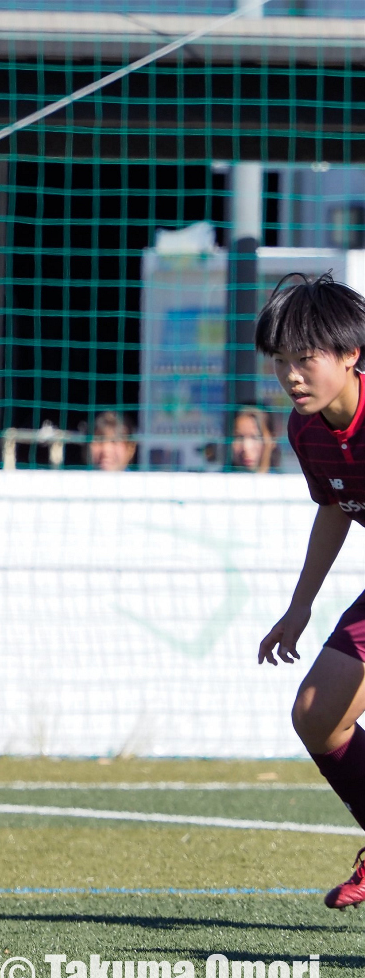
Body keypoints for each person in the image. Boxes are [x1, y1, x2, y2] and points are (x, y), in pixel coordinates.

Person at [256, 271, 365, 911]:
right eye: (281, 361)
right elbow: (336, 507)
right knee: (318, 713)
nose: (292, 376)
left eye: (306, 358)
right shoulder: (307, 430)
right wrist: (299, 609)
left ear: (352, 355)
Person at [231, 405, 278, 472]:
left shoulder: (285, 480)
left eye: (255, 437)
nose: (246, 447)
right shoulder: (217, 479)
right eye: (239, 437)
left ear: (272, 441)